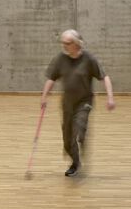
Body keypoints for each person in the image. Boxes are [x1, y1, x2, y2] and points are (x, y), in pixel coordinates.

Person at [41, 28, 114, 179]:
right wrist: (44, 97)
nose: (64, 46)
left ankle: (82, 138)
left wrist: (110, 98)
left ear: (76, 43)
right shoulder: (60, 58)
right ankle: (75, 162)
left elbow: (104, 77)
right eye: (63, 43)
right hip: (67, 104)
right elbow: (51, 78)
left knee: (79, 129)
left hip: (84, 102)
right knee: (67, 141)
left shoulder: (89, 59)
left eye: (67, 43)